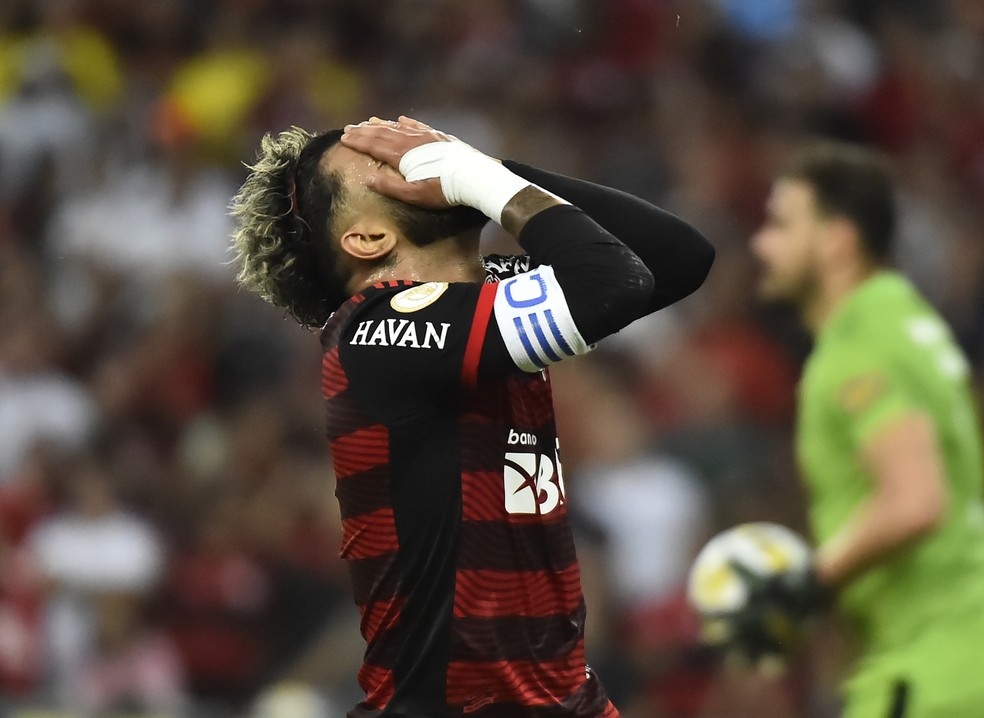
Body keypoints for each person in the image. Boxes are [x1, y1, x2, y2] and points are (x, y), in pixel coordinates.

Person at [230, 115, 715, 718]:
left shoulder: (482, 297)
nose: (412, 156)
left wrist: (492, 171)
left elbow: (679, 259)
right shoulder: (376, 329)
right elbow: (611, 281)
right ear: (366, 240)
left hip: (562, 701)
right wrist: (482, 180)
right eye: (382, 164)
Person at [750, 141, 984, 717]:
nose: (761, 244)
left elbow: (915, 500)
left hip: (928, 673)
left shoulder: (859, 341)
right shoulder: (906, 319)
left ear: (837, 239)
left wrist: (803, 583)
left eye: (781, 225)